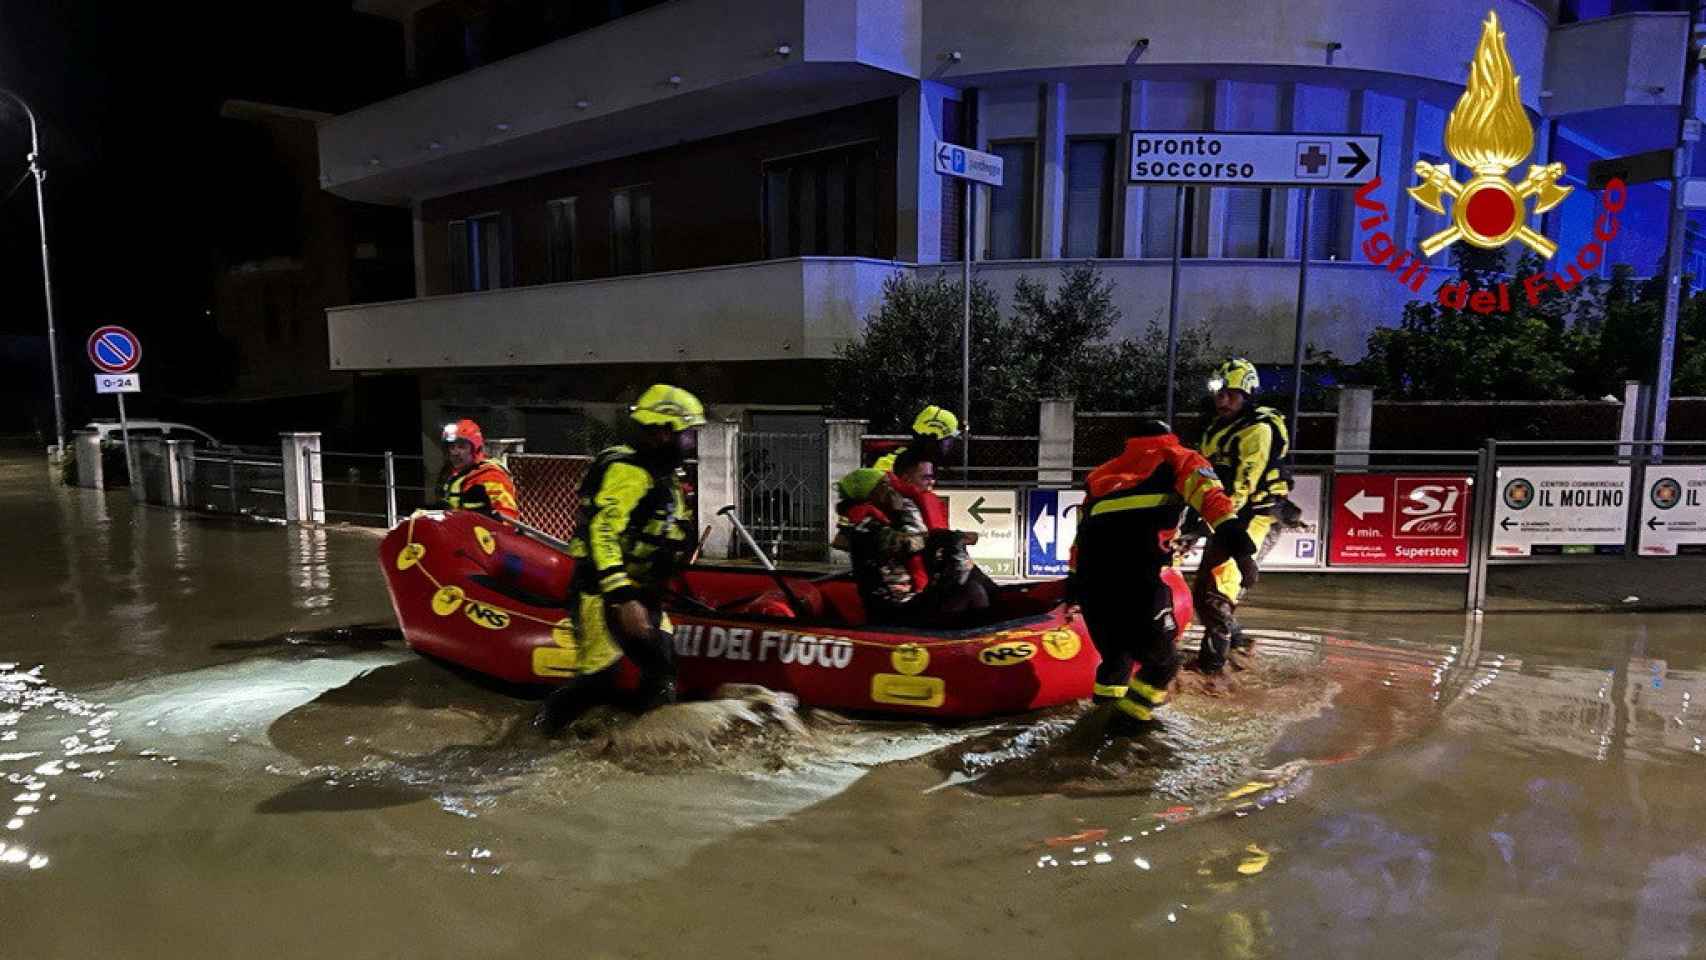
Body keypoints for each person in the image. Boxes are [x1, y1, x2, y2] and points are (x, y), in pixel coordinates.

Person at [1065, 420, 1254, 735]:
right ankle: (1128, 726)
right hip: (1136, 579)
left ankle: (1097, 722)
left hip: (1091, 582)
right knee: (1164, 663)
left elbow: (1080, 538)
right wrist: (1244, 554)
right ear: (1167, 437)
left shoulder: (1099, 475)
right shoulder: (1179, 458)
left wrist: (1072, 589)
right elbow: (1215, 505)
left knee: (1116, 661)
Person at [534, 384, 704, 735]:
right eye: (687, 433)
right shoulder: (628, 473)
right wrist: (623, 597)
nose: (692, 442)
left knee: (663, 664)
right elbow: (604, 534)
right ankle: (542, 732)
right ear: (662, 432)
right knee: (600, 678)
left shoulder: (664, 476)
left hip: (643, 590)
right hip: (603, 591)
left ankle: (650, 743)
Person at [1192, 358, 1293, 674]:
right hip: (1228, 519)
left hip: (1255, 519)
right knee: (1201, 593)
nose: (1222, 401)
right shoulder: (1215, 429)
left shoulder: (1257, 430)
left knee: (1217, 595)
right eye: (1220, 394)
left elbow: (1242, 488)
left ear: (1247, 394)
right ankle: (1239, 644)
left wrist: (1205, 525)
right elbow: (1203, 480)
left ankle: (1212, 673)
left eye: (1231, 394)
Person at [833, 449, 991, 625]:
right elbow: (907, 543)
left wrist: (949, 537)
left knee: (972, 581)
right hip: (892, 611)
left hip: (909, 602)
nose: (892, 490)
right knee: (971, 590)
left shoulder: (884, 521)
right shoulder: (864, 527)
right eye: (885, 486)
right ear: (871, 494)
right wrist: (949, 538)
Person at [437, 418, 519, 520]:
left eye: (461, 447)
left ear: (476, 449)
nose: (455, 453)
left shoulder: (491, 476)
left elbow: (508, 515)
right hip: (456, 532)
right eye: (452, 447)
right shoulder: (453, 476)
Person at [871, 404, 961, 473]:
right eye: (949, 438)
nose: (952, 444)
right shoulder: (889, 467)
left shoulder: (927, 466)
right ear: (933, 438)